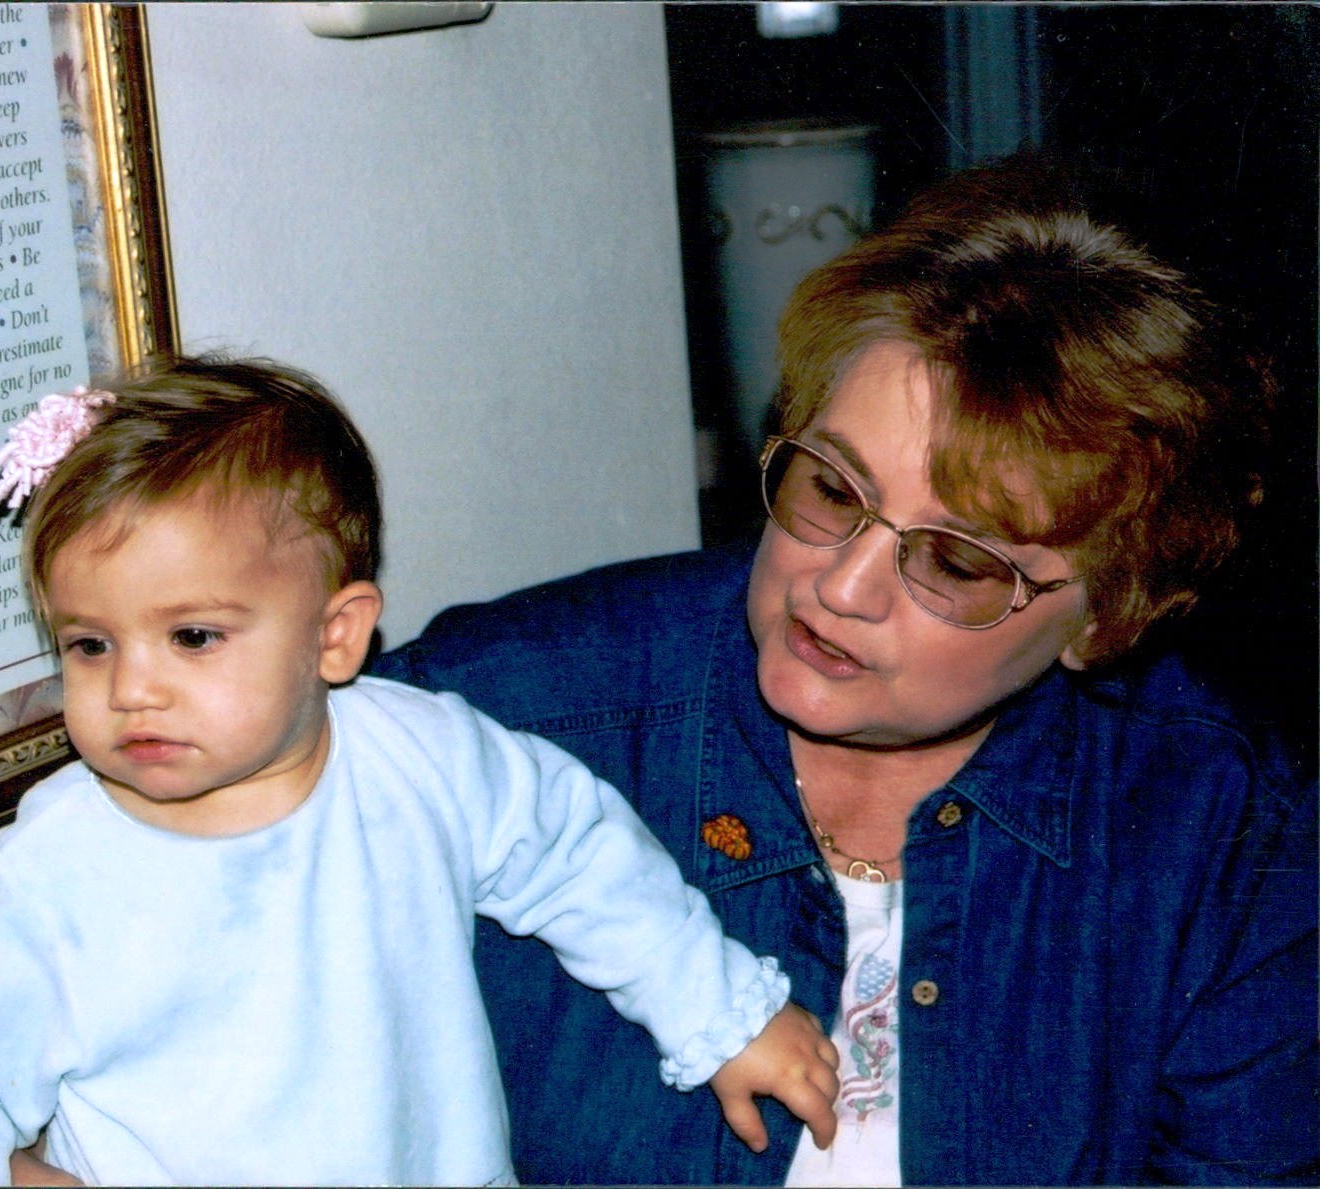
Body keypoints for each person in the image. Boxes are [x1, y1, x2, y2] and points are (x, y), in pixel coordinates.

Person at [374, 158, 1318, 1185]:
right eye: (831, 488)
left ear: (1107, 617)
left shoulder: (1226, 835)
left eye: (956, 561)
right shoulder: (495, 716)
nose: (840, 585)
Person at [0, 356, 839, 1187]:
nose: (131, 689)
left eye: (191, 636)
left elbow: (578, 854)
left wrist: (719, 1012)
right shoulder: (60, 862)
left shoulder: (423, 757)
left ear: (335, 635)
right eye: (90, 644)